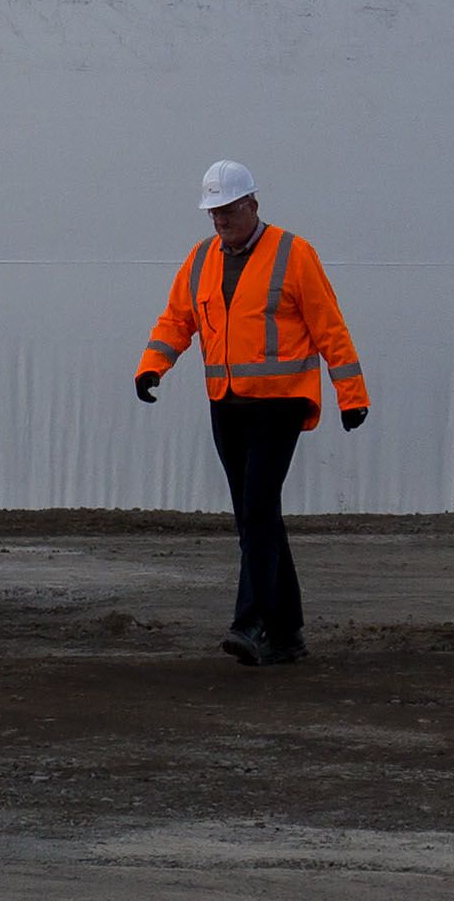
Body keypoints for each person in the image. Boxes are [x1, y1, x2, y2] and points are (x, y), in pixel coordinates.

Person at [133, 159, 366, 667]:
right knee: (255, 517)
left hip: (280, 405)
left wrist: (352, 396)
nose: (219, 221)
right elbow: (177, 319)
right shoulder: (201, 260)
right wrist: (153, 366)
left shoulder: (294, 254)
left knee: (258, 508)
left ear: (252, 205)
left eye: (228, 211)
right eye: (213, 212)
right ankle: (288, 634)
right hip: (228, 406)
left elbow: (330, 328)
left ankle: (251, 623)